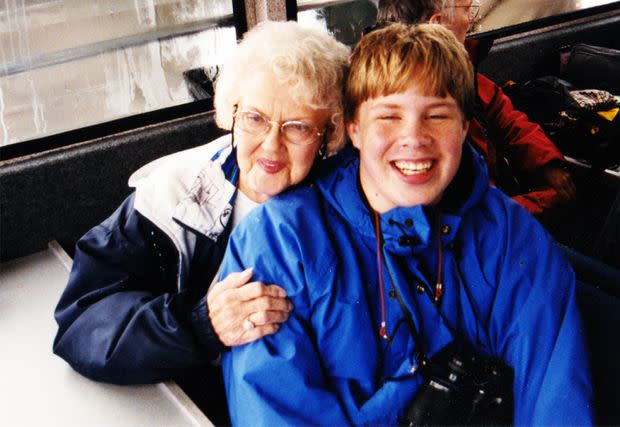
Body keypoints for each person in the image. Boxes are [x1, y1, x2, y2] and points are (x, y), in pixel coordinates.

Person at [219, 23, 593, 425]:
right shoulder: (279, 243)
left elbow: (556, 403)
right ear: (354, 128)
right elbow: (272, 410)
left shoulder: (514, 243)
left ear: (465, 127)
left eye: (437, 115)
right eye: (389, 116)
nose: (414, 138)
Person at [52, 20, 349, 421]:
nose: (271, 144)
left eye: (297, 126)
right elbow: (83, 319)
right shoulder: (174, 195)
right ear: (232, 112)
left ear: (329, 132)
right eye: (255, 119)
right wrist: (200, 325)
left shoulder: (351, 201)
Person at [377, 0, 576, 218]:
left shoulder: (462, 78)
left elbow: (507, 118)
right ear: (439, 24)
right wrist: (547, 199)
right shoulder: (431, 113)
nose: (472, 20)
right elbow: (478, 220)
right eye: (467, 11)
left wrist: (547, 162)